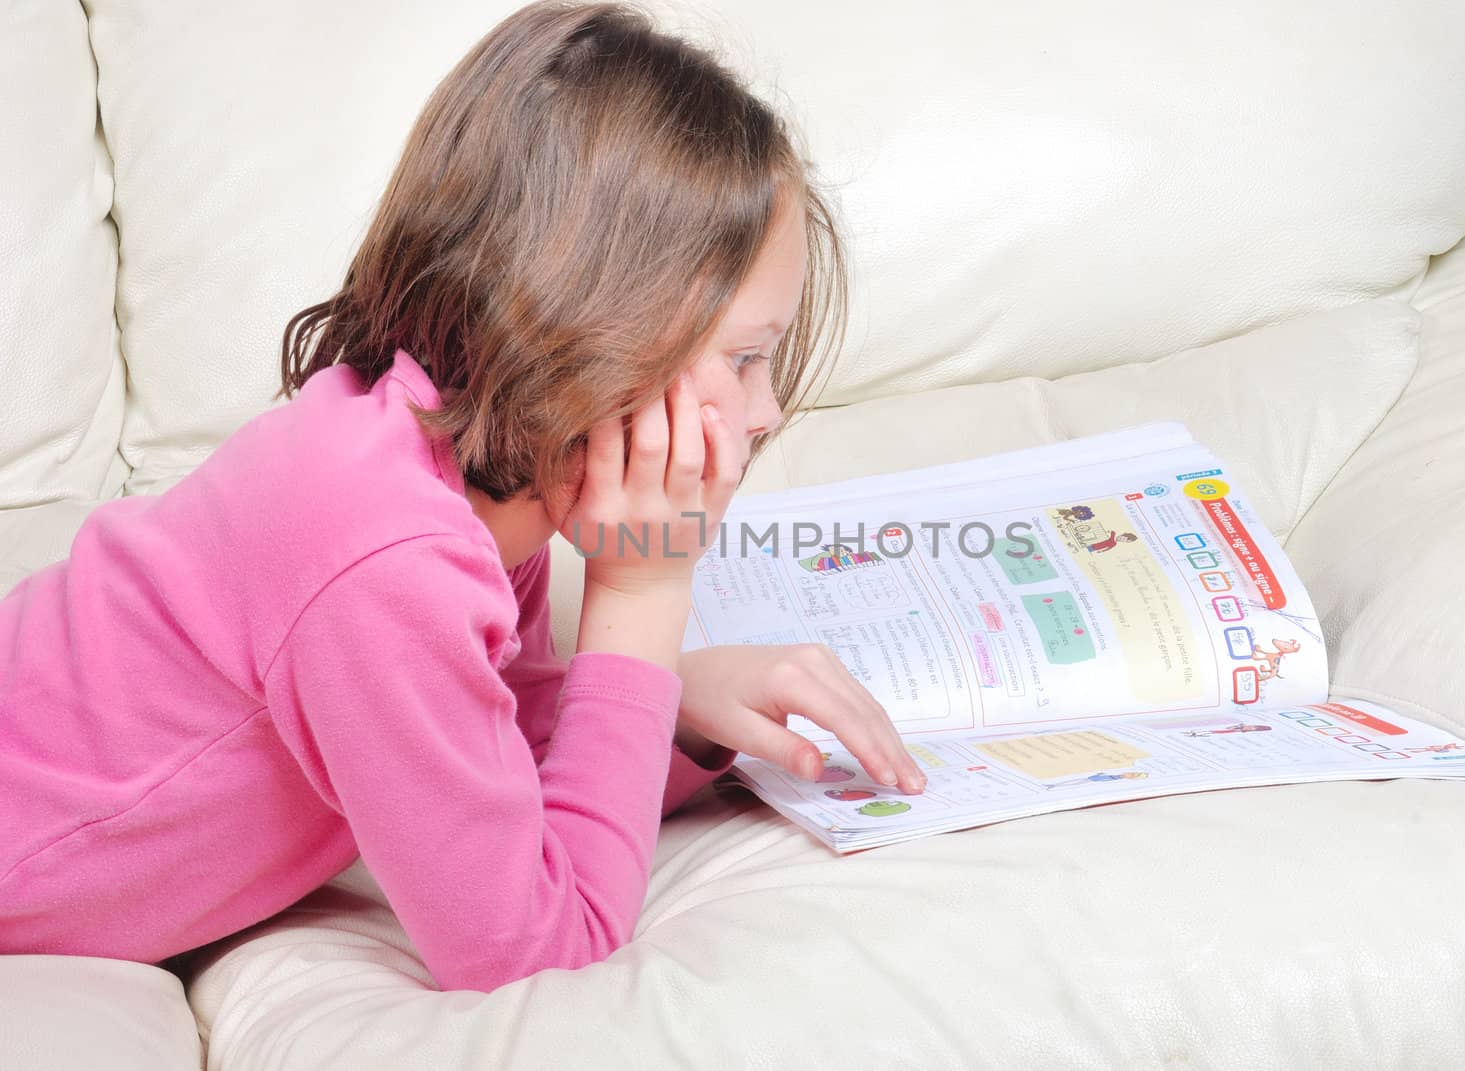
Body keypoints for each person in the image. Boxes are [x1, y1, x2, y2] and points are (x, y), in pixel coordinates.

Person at [0, 1, 926, 994]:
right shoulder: (385, 551)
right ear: (587, 329)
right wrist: (642, 597)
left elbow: (490, 771)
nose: (766, 409)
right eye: (746, 359)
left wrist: (679, 707)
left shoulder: (465, 470)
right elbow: (532, 945)